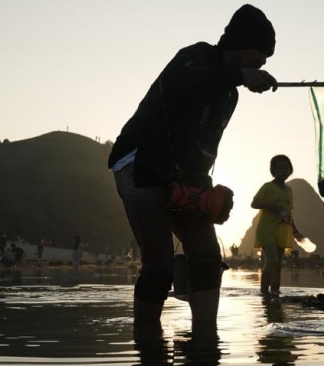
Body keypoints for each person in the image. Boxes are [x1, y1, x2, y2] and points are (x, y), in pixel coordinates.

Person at [107, 4, 277, 332]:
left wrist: (207, 197)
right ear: (241, 44)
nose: (263, 61)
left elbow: (203, 151)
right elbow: (179, 86)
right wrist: (240, 75)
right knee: (160, 266)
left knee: (208, 258)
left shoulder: (230, 95)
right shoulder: (196, 57)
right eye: (261, 53)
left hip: (181, 177)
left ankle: (205, 338)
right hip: (139, 166)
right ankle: (146, 341)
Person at [251, 155, 304, 296]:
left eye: (286, 167)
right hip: (267, 229)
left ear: (290, 170)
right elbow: (254, 203)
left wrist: (295, 231)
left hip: (282, 230)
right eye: (279, 168)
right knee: (272, 261)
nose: (283, 170)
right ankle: (263, 293)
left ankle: (274, 293)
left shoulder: (288, 190)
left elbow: (288, 213)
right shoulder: (268, 187)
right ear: (273, 171)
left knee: (278, 265)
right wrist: (270, 206)